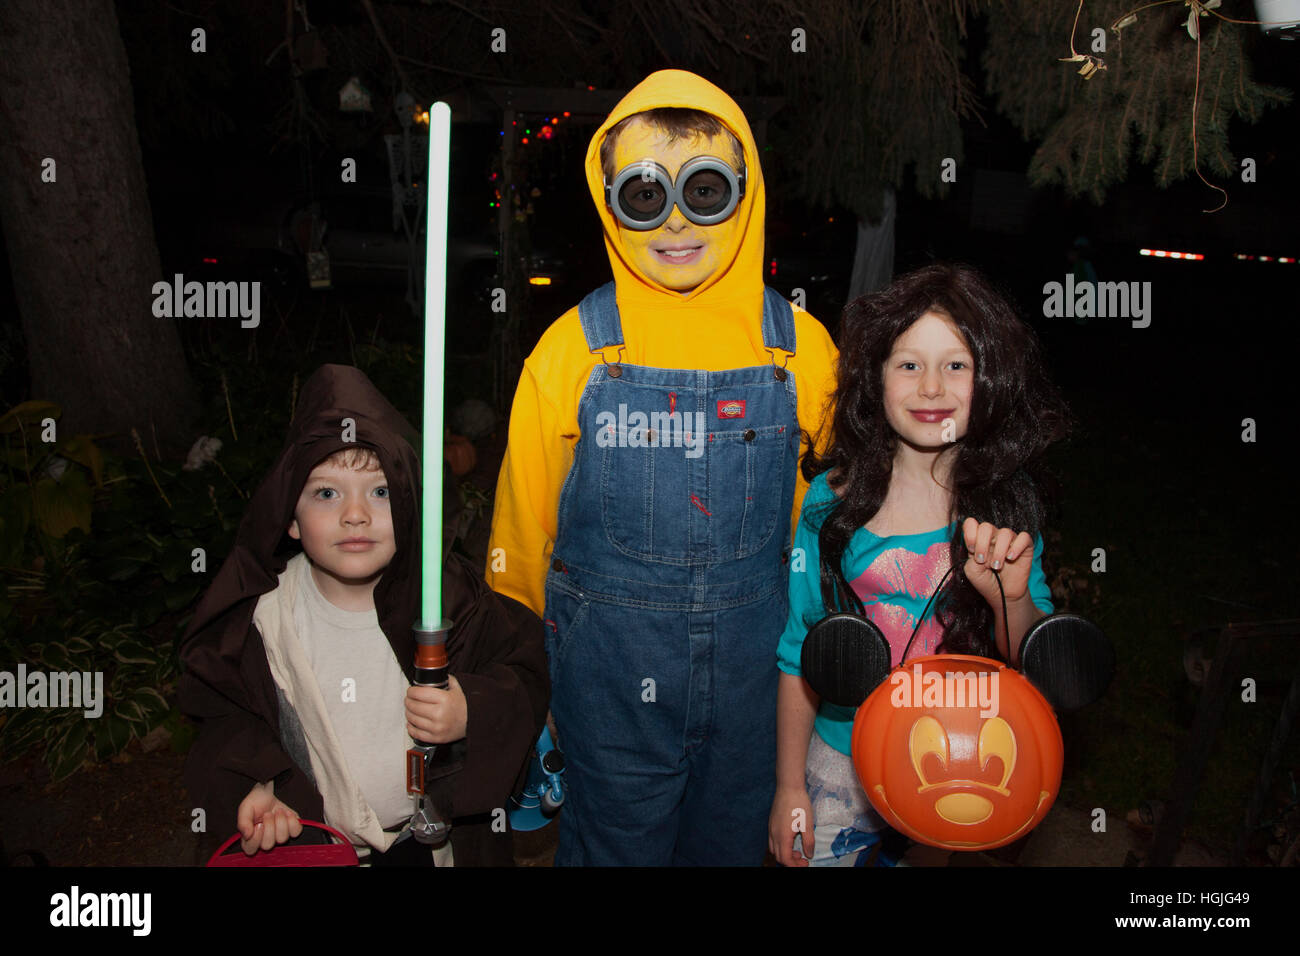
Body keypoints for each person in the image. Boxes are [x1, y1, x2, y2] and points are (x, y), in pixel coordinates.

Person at [485, 70, 839, 865]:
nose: (677, 222)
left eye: (704, 190)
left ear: (743, 194)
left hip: (758, 688)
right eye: (646, 196)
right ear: (610, 200)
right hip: (610, 687)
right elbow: (520, 532)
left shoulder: (802, 352)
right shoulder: (572, 353)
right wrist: (519, 683)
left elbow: (838, 529)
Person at [179, 364, 548, 866]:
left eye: (379, 491)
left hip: (434, 847)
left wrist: (472, 710)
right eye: (327, 493)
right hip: (319, 847)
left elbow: (526, 673)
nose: (356, 514)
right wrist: (255, 785)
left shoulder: (452, 601)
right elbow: (227, 717)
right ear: (289, 515)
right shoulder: (261, 621)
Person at [768, 263, 1070, 867]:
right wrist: (789, 788)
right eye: (909, 364)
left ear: (989, 380)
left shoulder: (1002, 510)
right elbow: (798, 654)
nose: (931, 387)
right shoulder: (832, 502)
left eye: (956, 365)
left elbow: (1034, 663)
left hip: (949, 768)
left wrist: (1009, 597)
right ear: (875, 380)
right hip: (838, 766)